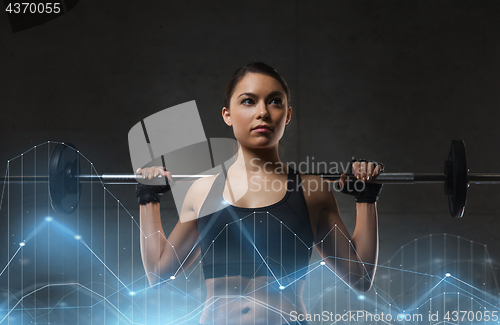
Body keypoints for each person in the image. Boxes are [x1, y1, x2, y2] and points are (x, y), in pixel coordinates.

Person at [136, 62, 383, 325]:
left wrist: (365, 197)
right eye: (248, 101)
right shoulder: (202, 191)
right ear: (227, 114)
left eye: (274, 102)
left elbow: (361, 278)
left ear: (287, 115)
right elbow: (158, 276)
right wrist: (148, 197)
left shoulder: (312, 191)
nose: (262, 112)